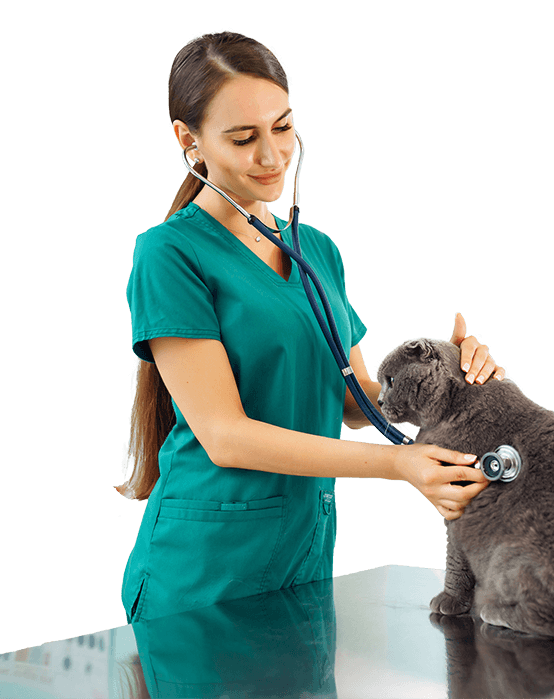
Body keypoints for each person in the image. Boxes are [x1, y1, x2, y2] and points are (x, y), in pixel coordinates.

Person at [117, 31, 506, 623]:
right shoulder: (169, 254)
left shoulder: (316, 250)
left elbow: (355, 401)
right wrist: (396, 465)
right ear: (188, 141)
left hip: (302, 554)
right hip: (204, 568)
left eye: (282, 127)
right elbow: (224, 434)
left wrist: (450, 379)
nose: (273, 156)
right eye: (244, 138)